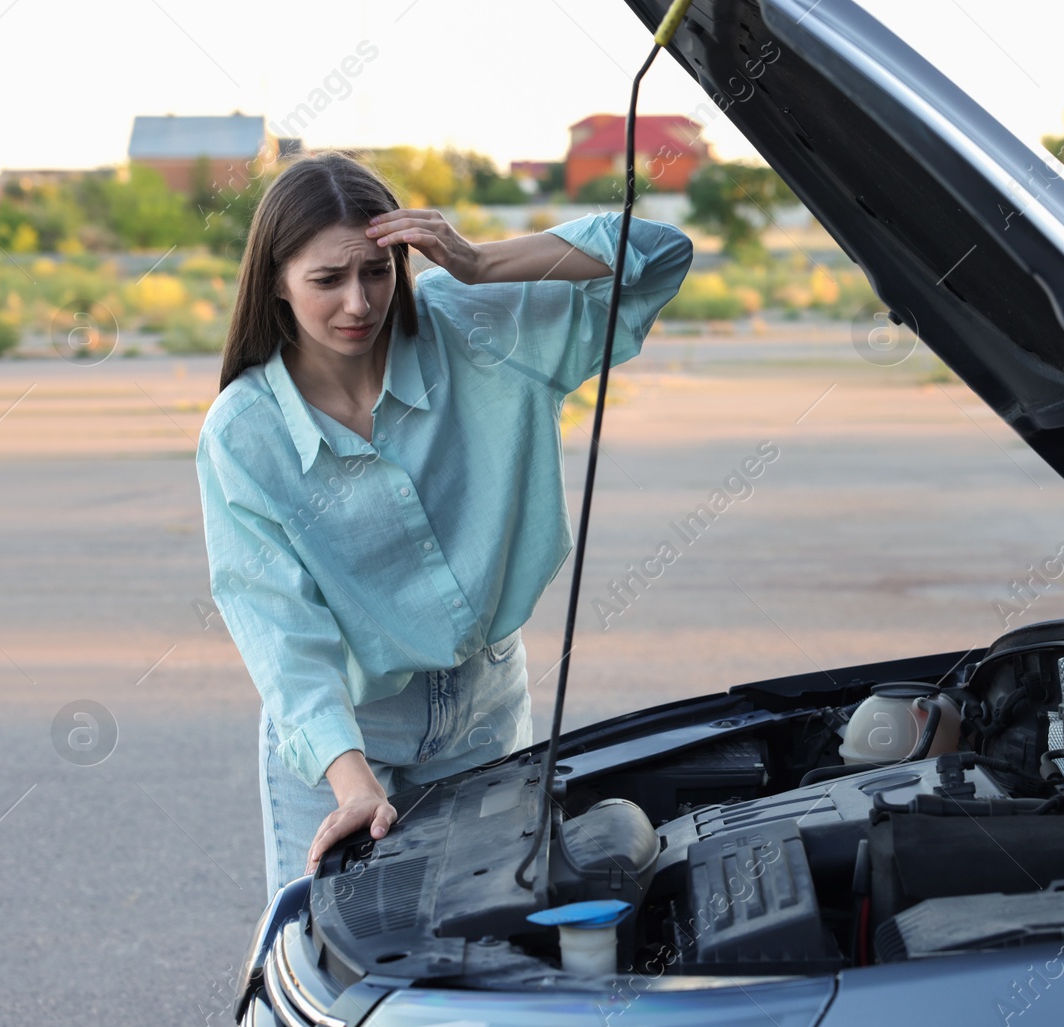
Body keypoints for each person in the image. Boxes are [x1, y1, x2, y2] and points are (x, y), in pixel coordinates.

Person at [195, 151, 692, 899]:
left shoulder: (473, 327)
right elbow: (279, 628)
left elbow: (658, 254)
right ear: (275, 282)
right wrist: (352, 781)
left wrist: (478, 261)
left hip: (486, 706)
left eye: (377, 270)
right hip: (348, 733)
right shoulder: (243, 433)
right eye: (327, 280)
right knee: (323, 944)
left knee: (483, 936)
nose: (359, 303)